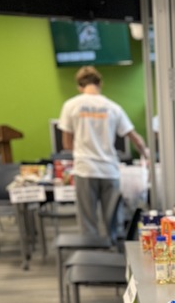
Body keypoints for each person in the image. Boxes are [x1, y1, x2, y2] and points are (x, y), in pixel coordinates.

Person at [58, 65, 149, 240]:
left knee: (88, 222)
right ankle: (115, 251)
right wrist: (146, 156)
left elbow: (67, 143)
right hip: (109, 170)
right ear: (100, 83)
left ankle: (90, 252)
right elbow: (136, 139)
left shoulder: (70, 105)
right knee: (113, 221)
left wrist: (83, 150)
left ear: (79, 86)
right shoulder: (113, 107)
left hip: (85, 169)